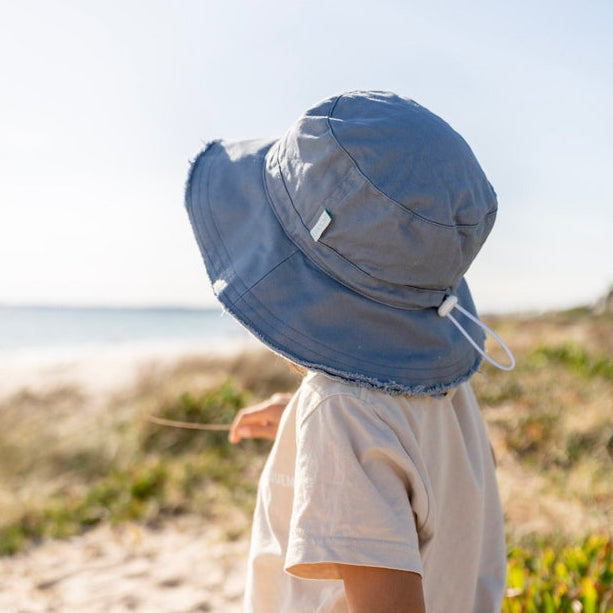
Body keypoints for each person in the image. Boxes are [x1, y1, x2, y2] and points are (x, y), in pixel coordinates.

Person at [184, 91, 514, 613]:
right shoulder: (427, 375)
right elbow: (412, 454)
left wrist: (326, 415)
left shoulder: (343, 415)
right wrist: (300, 417)